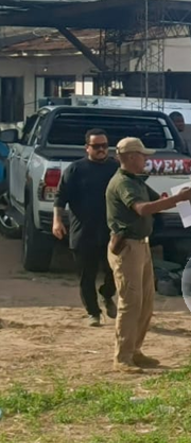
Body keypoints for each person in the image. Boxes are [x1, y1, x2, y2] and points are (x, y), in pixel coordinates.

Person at [105, 137, 191, 373]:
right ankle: (122, 357)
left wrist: (188, 195)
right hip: (127, 247)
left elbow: (157, 201)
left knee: (145, 303)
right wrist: (179, 199)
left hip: (140, 245)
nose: (146, 160)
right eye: (143, 156)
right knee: (130, 304)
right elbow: (142, 209)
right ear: (131, 157)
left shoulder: (135, 181)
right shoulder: (124, 183)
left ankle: (134, 350)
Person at [53, 129, 120, 327]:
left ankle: (106, 294)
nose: (101, 150)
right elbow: (60, 197)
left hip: (110, 231)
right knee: (86, 276)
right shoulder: (75, 170)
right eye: (96, 146)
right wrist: (57, 221)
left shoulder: (116, 168)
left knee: (115, 271)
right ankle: (93, 313)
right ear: (87, 148)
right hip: (83, 231)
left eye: (104, 146)